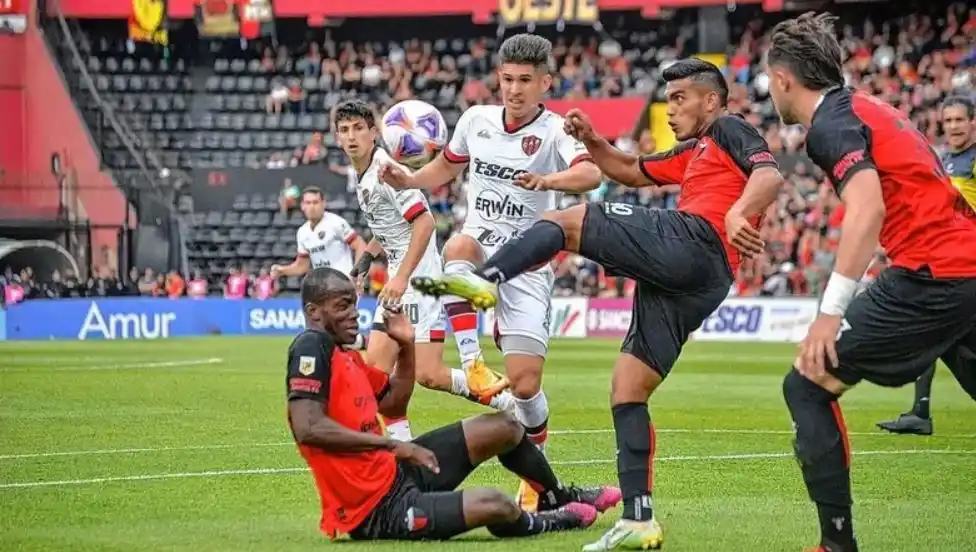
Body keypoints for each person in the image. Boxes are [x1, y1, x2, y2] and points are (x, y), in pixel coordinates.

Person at [405, 58, 785, 550]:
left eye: (679, 99)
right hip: (703, 280)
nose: (669, 110)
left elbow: (769, 176)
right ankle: (639, 518)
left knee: (565, 222)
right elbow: (628, 169)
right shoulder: (694, 153)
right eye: (667, 100)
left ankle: (485, 280)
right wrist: (591, 140)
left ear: (710, 101)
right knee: (628, 389)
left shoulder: (729, 128)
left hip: (698, 240)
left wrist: (738, 211)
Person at [735, 12, 976, 552]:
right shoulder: (870, 108)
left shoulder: (829, 125)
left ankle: (835, 545)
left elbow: (867, 207)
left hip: (934, 274)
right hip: (966, 269)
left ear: (781, 80)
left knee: (806, 384)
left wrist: (829, 313)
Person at [380, 33, 603, 512]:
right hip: (480, 243)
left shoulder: (556, 130)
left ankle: (537, 476)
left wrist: (549, 180)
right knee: (457, 245)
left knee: (525, 387)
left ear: (546, 83)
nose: (515, 90)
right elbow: (447, 167)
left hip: (527, 265)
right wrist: (411, 178)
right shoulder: (475, 120)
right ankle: (474, 362)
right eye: (507, 79)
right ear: (497, 78)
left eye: (526, 81)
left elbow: (591, 176)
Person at [285, 267, 621, 541]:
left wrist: (407, 346)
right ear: (314, 312)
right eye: (342, 306)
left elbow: (394, 400)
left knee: (505, 426)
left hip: (396, 473)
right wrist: (392, 445)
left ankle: (556, 495)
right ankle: (552, 521)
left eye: (353, 305)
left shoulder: (347, 357)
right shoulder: (310, 345)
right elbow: (308, 428)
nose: (354, 315)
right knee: (496, 503)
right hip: (374, 509)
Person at [332, 98, 515, 443]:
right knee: (381, 377)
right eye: (344, 130)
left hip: (416, 282)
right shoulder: (364, 173)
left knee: (427, 375)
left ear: (375, 133)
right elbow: (389, 227)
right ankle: (401, 456)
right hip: (399, 282)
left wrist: (400, 279)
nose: (352, 136)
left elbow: (425, 223)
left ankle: (510, 404)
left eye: (359, 128)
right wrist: (367, 259)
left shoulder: (385, 171)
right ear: (337, 138)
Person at [876, 95, 976, 436]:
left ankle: (920, 413)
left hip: (968, 263)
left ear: (973, 122)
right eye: (947, 121)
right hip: (950, 263)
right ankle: (920, 412)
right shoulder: (943, 160)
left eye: (959, 120)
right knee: (937, 333)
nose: (953, 127)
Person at [271, 186, 367, 279]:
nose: (312, 207)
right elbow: (302, 266)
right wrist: (282, 270)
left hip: (343, 285)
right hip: (322, 287)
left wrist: (357, 274)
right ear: (302, 206)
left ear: (323, 203)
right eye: (308, 203)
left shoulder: (336, 223)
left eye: (315, 202)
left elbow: (360, 245)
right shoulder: (302, 232)